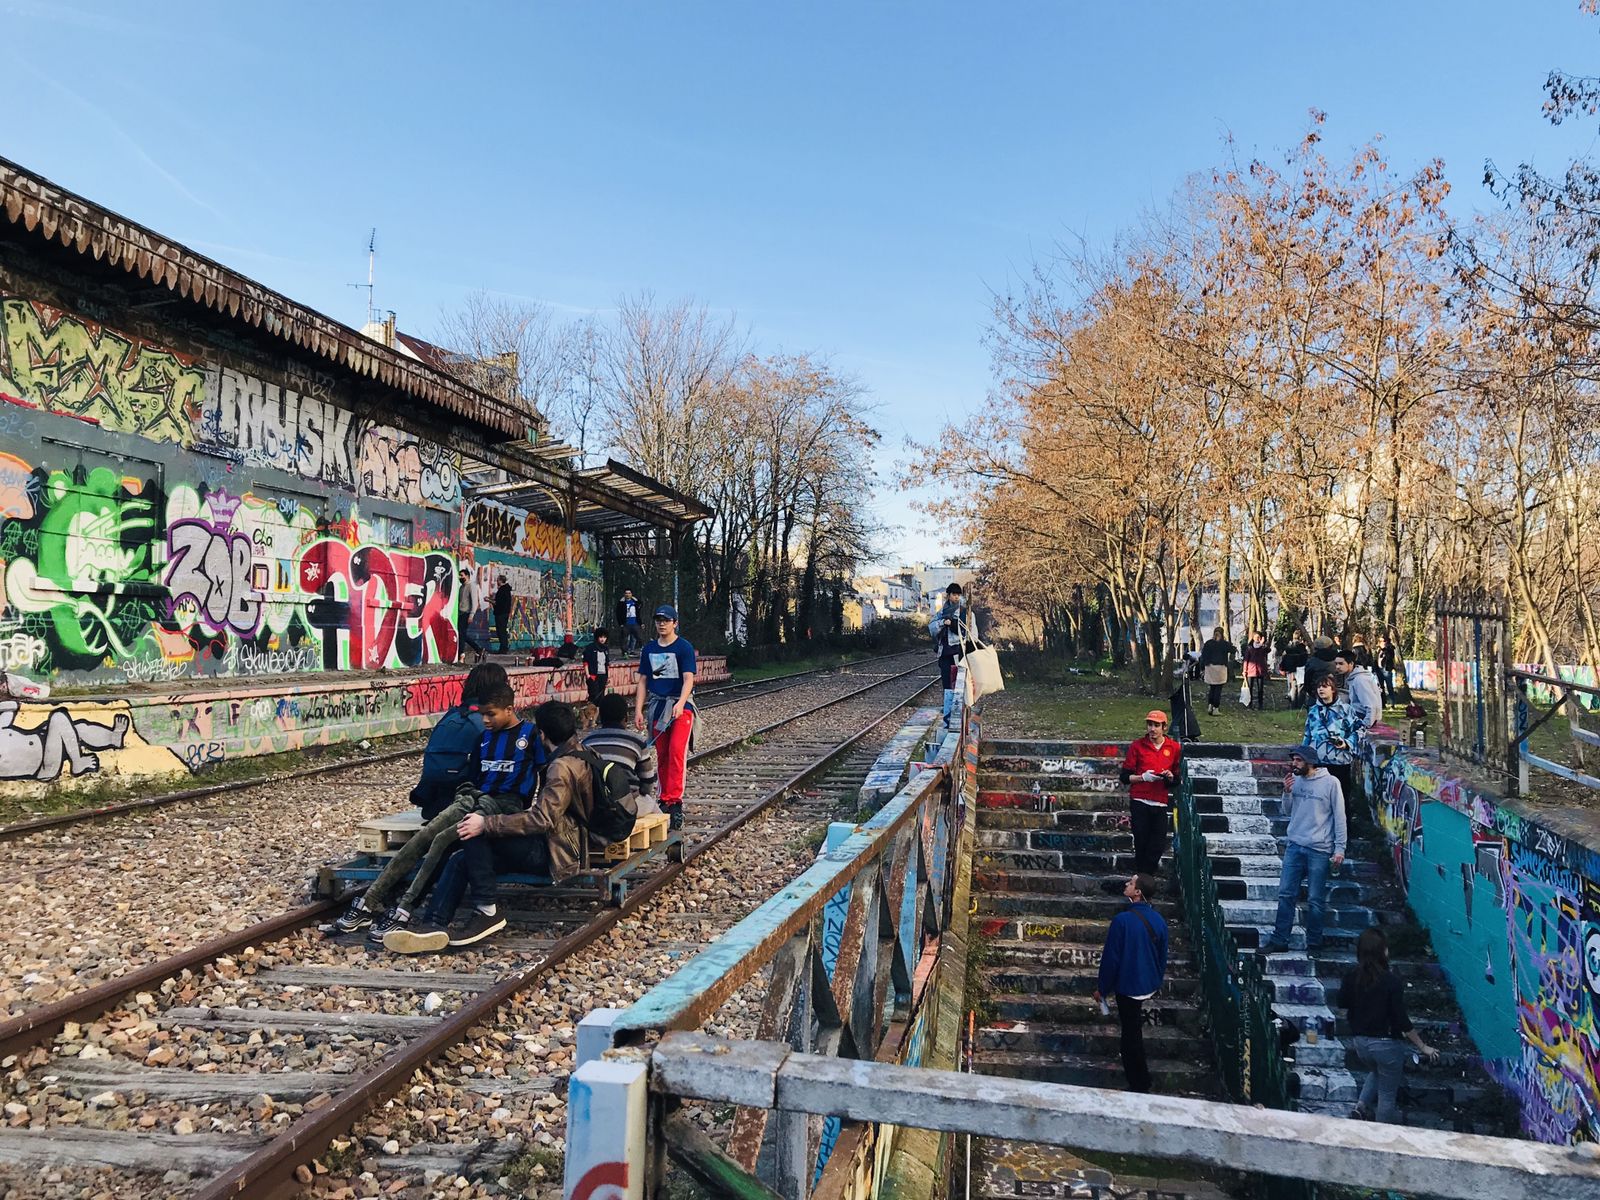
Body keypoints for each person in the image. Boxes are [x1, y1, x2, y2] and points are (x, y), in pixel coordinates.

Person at [326, 674, 537, 940]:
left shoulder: (530, 736)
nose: (485, 720)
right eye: (483, 714)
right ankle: (369, 901)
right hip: (474, 798)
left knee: (442, 840)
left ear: (509, 709)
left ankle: (404, 909)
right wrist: (466, 793)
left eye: (490, 715)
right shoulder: (484, 738)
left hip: (504, 804)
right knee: (425, 836)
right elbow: (472, 775)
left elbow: (545, 770)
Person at [386, 699, 590, 954]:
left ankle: (486, 910)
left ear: (542, 734)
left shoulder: (561, 768)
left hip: (556, 851)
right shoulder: (580, 752)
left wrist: (488, 823)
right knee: (462, 857)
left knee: (475, 829)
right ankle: (433, 925)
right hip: (559, 840)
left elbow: (542, 819)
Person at [1338, 926, 1439, 1123]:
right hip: (1386, 1045)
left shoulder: (1351, 976)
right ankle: (1381, 1135)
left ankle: (1360, 1107)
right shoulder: (1391, 981)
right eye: (1385, 948)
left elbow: (1342, 1005)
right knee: (1386, 1095)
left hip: (1361, 1045)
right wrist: (1422, 1046)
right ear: (1381, 951)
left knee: (1376, 1071)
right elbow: (1402, 1020)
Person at [1259, 744, 1346, 957]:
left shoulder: (1331, 783)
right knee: (1286, 894)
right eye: (1293, 760)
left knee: (1315, 899)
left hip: (1319, 848)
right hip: (1295, 845)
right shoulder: (1295, 781)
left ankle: (1314, 943)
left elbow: (1340, 816)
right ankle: (1280, 939)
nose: (1294, 764)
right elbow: (1286, 811)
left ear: (1310, 762)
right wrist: (1287, 792)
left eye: (1298, 760)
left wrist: (1340, 848)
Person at [1094, 873, 1169, 1094]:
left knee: (1130, 1034)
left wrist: (1102, 988)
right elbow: (1162, 955)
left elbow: (1111, 959)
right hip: (1149, 982)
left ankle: (1139, 1081)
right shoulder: (1159, 920)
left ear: (1137, 892)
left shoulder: (1122, 921)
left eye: (1131, 883)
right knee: (1132, 1029)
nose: (1126, 884)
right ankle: (1140, 1080)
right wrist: (1156, 978)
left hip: (1129, 984)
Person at [634, 604, 696, 830]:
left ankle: (675, 801)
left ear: (675, 623)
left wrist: (681, 703)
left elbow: (688, 678)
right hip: (658, 706)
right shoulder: (649, 649)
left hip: (680, 706)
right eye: (659, 619)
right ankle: (664, 798)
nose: (662, 623)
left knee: (676, 751)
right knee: (662, 754)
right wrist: (638, 709)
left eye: (666, 620)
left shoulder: (684, 647)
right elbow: (642, 681)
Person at [1119, 711, 1182, 874]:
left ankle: (1145, 878)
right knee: (1141, 842)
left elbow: (1176, 779)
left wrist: (1169, 776)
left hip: (1160, 801)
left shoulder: (1174, 748)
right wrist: (1143, 777)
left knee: (1158, 844)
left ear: (1164, 727)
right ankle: (1142, 880)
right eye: (1150, 725)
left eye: (1156, 725)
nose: (1152, 729)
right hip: (1140, 799)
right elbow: (1125, 777)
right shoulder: (1137, 746)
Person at [583, 692, 661, 818]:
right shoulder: (637, 741)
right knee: (655, 809)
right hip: (626, 805)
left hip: (594, 806)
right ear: (625, 718)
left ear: (600, 718)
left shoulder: (587, 742)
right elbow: (648, 782)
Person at [1303, 674, 1364, 802]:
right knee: (1318, 800)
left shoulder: (1346, 710)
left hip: (1339, 762)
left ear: (1333, 689)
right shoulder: (1313, 711)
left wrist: (1347, 743)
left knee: (1341, 800)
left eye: (1325, 687)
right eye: (1319, 687)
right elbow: (1307, 735)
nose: (1321, 690)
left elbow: (1360, 730)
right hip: (1317, 762)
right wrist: (1303, 757)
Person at [931, 583, 970, 729]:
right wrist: (943, 623)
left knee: (959, 684)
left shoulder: (964, 612)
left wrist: (952, 623)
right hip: (944, 653)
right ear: (948, 595)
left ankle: (957, 715)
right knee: (947, 684)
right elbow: (932, 628)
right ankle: (947, 717)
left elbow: (966, 630)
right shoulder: (942, 611)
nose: (956, 597)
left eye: (958, 595)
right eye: (954, 594)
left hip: (958, 653)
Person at [1333, 651, 1383, 731]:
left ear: (1351, 664)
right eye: (1336, 664)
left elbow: (1371, 706)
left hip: (1363, 718)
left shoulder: (1360, 680)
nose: (1338, 667)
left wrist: (1364, 725)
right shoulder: (1354, 677)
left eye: (1341, 664)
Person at [1198, 627, 1233, 716]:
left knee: (1212, 688)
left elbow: (1203, 656)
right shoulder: (1224, 644)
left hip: (1210, 667)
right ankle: (1216, 708)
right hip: (1221, 668)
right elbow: (1233, 649)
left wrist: (1202, 668)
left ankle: (1210, 705)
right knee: (1218, 688)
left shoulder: (1209, 643)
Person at [456, 568, 486, 663]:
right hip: (460, 613)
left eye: (462, 575)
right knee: (462, 634)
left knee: (462, 634)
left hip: (466, 613)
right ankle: (478, 649)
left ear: (467, 576)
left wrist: (471, 615)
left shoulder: (471, 586)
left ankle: (461, 654)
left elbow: (475, 602)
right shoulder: (461, 587)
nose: (460, 577)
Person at [1300, 636, 1339, 710]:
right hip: (1335, 695)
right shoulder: (1338, 661)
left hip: (1316, 696)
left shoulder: (1312, 662)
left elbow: (1307, 681)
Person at [1280, 629, 1310, 706]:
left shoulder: (1288, 647)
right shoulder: (1302, 648)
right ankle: (1300, 704)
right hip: (1300, 668)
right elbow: (1305, 658)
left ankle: (1293, 704)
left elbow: (1284, 657)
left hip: (1291, 669)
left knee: (1293, 687)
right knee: (1301, 687)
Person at [1242, 630, 1270, 711]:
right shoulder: (1250, 647)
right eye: (1256, 637)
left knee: (1260, 689)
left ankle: (1260, 705)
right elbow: (1246, 659)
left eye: (1259, 637)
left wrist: (1263, 644)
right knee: (1249, 688)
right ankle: (1249, 704)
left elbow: (1268, 650)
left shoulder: (1262, 647)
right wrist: (1244, 670)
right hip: (1251, 671)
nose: (1257, 639)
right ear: (1253, 638)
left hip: (1260, 671)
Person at [583, 628, 612, 708]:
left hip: (603, 675)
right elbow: (585, 662)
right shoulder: (590, 648)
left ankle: (599, 714)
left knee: (601, 695)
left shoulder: (606, 649)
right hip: (593, 675)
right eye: (601, 637)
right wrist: (588, 675)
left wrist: (608, 676)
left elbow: (607, 663)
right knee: (593, 695)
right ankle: (591, 714)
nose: (603, 639)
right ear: (597, 637)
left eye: (604, 637)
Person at [1374, 634, 1398, 708]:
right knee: (1380, 687)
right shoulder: (1378, 649)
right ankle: (1382, 703)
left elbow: (1389, 657)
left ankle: (1392, 703)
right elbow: (1376, 658)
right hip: (1378, 669)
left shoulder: (1390, 648)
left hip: (1386, 669)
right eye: (1380, 641)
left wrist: (1384, 649)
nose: (1381, 642)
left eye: (1383, 641)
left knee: (1389, 686)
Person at [493, 575, 514, 654]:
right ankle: (503, 647)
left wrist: (489, 600)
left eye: (497, 580)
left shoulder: (502, 590)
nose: (496, 582)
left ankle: (503, 648)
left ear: (500, 581)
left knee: (501, 631)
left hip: (500, 613)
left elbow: (498, 603)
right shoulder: (507, 590)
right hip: (504, 612)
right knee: (503, 631)